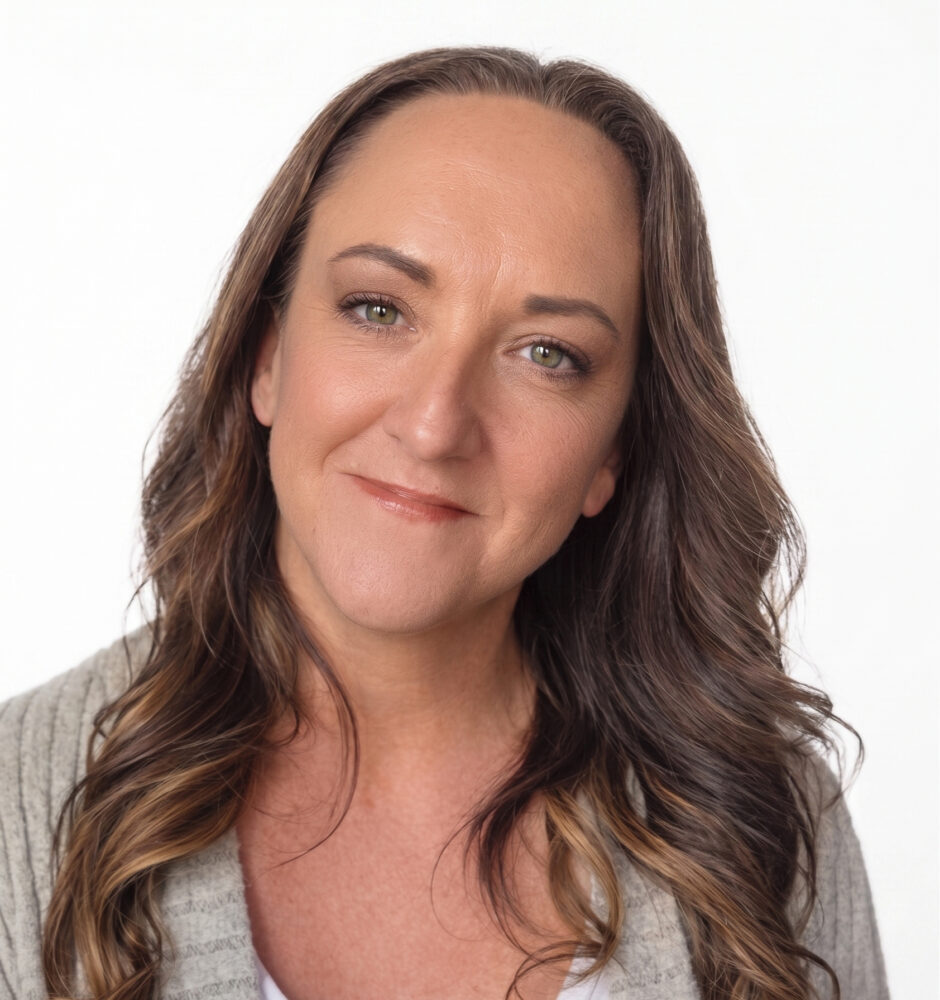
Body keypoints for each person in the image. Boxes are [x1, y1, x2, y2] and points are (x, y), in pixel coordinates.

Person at [0, 46, 889, 1000]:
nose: (433, 425)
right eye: (378, 309)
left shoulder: (757, 814)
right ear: (266, 356)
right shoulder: (19, 804)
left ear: (614, 455)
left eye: (547, 354)